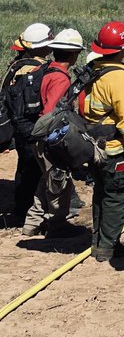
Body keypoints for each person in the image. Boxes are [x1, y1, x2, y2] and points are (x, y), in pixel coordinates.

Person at [82, 21, 124, 263]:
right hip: (115, 150)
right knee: (115, 198)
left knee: (101, 194)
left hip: (94, 147)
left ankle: (98, 243)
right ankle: (108, 248)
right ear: (123, 49)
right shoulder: (117, 77)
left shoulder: (94, 69)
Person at [22, 29, 85, 237]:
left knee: (46, 180)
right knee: (59, 182)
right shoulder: (61, 79)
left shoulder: (47, 69)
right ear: (74, 54)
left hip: (38, 136)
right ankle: (58, 225)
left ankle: (32, 223)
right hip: (50, 137)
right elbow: (52, 111)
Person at [2, 22, 53, 227]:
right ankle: (23, 211)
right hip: (28, 125)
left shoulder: (19, 64)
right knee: (31, 167)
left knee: (27, 166)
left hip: (18, 124)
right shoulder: (33, 69)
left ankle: (24, 207)